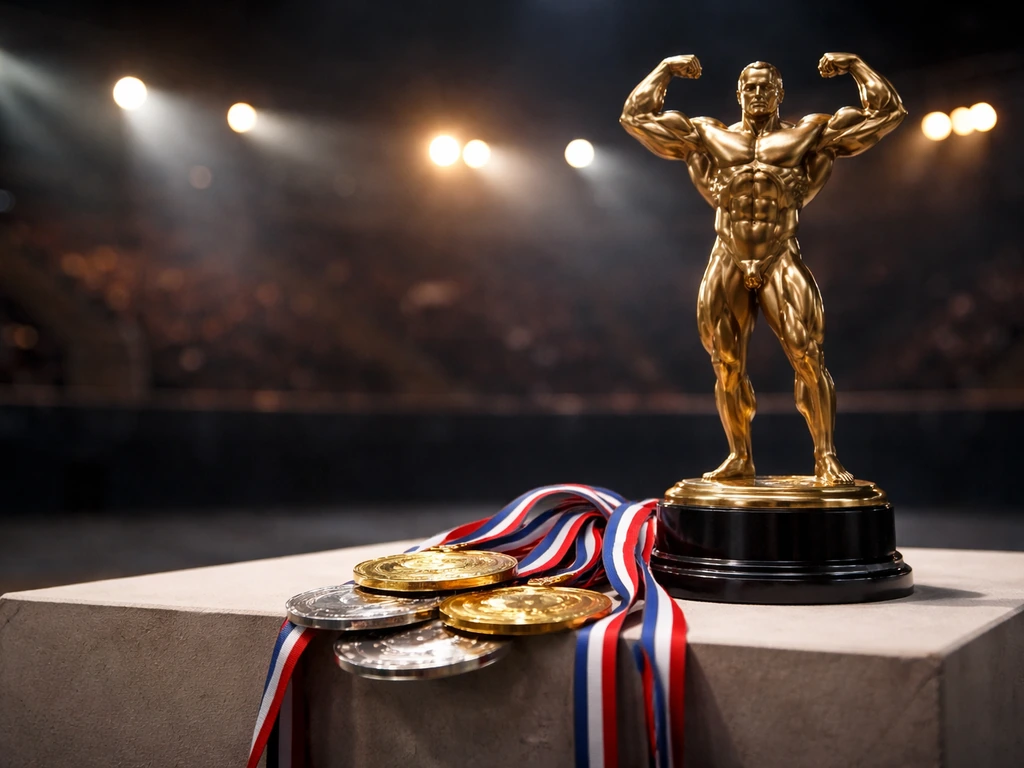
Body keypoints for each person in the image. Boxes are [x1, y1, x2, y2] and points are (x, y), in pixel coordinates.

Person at [621, 53, 906, 484]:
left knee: (808, 355)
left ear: (779, 93)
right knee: (726, 365)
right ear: (738, 94)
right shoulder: (709, 134)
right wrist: (664, 68)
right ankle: (740, 456)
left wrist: (855, 65)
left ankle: (826, 456)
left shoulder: (809, 132)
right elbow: (635, 117)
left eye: (766, 87)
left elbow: (887, 112)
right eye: (750, 87)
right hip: (728, 254)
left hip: (779, 251)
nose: (757, 94)